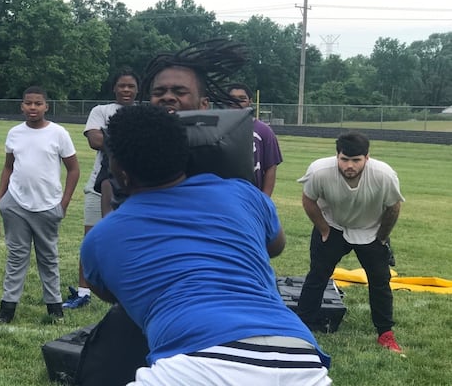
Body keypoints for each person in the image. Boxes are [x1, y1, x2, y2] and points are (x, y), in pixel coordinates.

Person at [81, 105, 332, 385]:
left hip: (197, 363)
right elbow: (275, 246)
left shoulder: (101, 238)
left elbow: (116, 295)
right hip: (298, 356)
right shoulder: (244, 194)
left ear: (122, 173)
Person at [296, 131, 405, 353]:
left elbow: (393, 207)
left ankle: (385, 334)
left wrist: (382, 237)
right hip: (333, 226)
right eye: (344, 159)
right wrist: (324, 229)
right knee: (317, 275)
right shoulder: (320, 171)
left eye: (356, 160)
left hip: (370, 229)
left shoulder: (384, 175)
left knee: (380, 281)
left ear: (367, 157)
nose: (350, 166)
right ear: (337, 156)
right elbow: (308, 200)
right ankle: (301, 328)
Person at [0, 86, 80, 323]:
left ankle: (54, 308)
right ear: (22, 106)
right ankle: (7, 308)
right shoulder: (15, 133)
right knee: (16, 257)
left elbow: (73, 170)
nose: (33, 107)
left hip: (47, 205)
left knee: (48, 258)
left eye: (38, 103)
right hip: (16, 205)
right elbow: (8, 166)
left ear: (46, 106)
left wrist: (63, 204)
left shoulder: (58, 133)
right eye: (28, 103)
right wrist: (1, 198)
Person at [64, 68, 139, 309]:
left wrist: (110, 136)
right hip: (99, 184)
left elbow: (105, 138)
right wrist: (130, 139)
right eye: (122, 85)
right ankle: (83, 292)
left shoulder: (142, 112)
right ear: (114, 88)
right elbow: (95, 140)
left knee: (130, 241)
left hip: (134, 188)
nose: (126, 90)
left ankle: (126, 290)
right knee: (92, 240)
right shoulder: (101, 111)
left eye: (131, 86)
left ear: (138, 90)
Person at [227, 83, 283, 196]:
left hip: (253, 196)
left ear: (250, 101)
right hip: (224, 195)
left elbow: (271, 167)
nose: (237, 103)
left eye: (242, 99)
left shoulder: (264, 131)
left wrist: (264, 200)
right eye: (232, 99)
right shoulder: (216, 129)